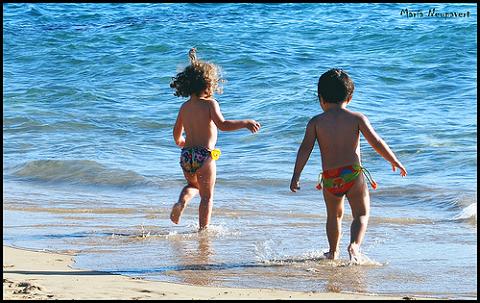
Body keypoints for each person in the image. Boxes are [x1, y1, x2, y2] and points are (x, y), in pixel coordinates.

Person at [289, 68, 407, 262]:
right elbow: (376, 142)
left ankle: (332, 252)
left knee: (333, 216)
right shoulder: (356, 118)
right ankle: (354, 246)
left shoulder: (316, 122)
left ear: (321, 99)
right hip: (352, 174)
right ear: (350, 97)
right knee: (361, 214)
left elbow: (305, 149)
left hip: (330, 177)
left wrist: (296, 175)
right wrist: (394, 160)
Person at [169, 48, 261, 231]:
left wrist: (180, 141)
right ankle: (203, 230)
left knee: (192, 186)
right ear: (207, 85)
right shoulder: (211, 104)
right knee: (207, 196)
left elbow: (176, 132)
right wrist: (245, 123)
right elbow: (223, 124)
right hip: (205, 156)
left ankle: (181, 202)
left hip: (186, 156)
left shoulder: (184, 107)